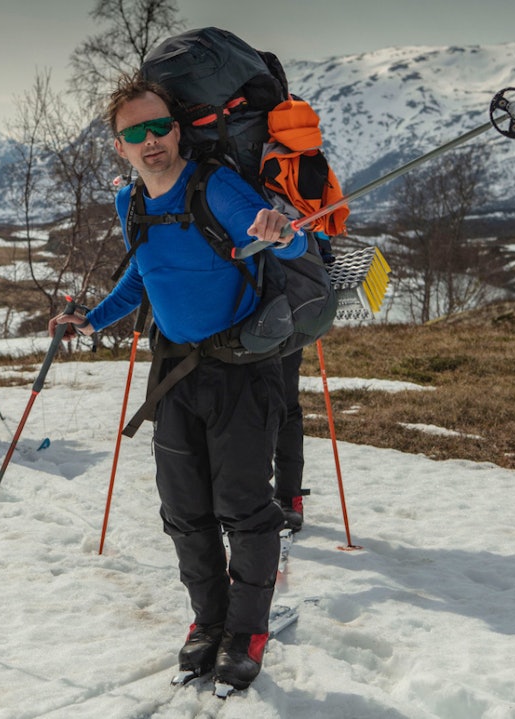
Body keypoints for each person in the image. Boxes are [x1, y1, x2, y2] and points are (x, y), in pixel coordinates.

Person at [48, 74, 308, 691]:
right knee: (184, 510)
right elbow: (143, 277)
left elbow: (285, 245)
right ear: (118, 146)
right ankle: (207, 622)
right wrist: (92, 319)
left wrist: (281, 229)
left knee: (244, 509)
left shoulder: (217, 186)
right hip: (174, 373)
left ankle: (246, 634)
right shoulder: (129, 203)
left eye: (158, 125)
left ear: (178, 127)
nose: (150, 140)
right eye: (133, 132)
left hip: (241, 371)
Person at [274, 349, 307, 531]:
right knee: (240, 411)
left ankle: (288, 497)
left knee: (286, 411)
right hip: (232, 332)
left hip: (285, 332)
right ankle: (240, 497)